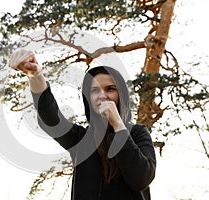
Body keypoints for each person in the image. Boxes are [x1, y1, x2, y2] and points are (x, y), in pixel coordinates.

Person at [9, 49, 156, 200]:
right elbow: (50, 117)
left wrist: (118, 125)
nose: (102, 96)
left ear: (121, 95)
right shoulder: (80, 139)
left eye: (110, 89)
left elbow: (141, 179)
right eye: (94, 90)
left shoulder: (138, 133)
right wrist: (36, 76)